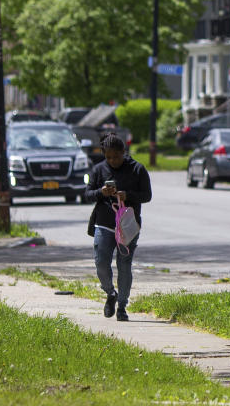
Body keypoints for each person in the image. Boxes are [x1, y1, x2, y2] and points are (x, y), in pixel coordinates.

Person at [84, 133, 152, 321]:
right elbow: (87, 194)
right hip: (104, 224)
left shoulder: (137, 169)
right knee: (101, 263)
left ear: (123, 152)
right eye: (108, 157)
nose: (112, 161)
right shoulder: (98, 170)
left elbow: (147, 195)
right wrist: (101, 192)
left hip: (128, 227)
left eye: (116, 156)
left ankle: (122, 306)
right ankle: (110, 293)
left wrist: (127, 195)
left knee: (124, 265)